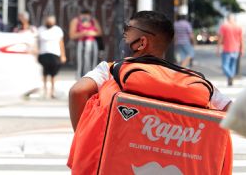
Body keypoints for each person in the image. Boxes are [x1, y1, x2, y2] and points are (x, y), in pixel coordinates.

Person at [69, 11, 232, 131]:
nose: (123, 38)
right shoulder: (195, 81)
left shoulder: (111, 69)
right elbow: (231, 112)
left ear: (142, 42)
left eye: (127, 33)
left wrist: (82, 136)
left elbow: (77, 91)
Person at [37, 15, 67, 99]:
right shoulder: (40, 30)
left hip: (55, 54)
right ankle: (45, 91)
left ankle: (52, 91)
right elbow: (37, 43)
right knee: (44, 73)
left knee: (53, 74)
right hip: (43, 53)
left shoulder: (58, 30)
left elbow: (61, 43)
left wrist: (63, 55)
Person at [69, 10, 103, 79]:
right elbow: (72, 35)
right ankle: (80, 79)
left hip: (93, 45)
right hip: (81, 44)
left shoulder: (93, 20)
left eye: (87, 15)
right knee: (81, 64)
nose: (85, 17)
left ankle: (93, 79)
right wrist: (83, 33)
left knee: (93, 63)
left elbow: (99, 33)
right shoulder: (76, 21)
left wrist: (91, 33)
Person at [217, 13, 244, 86]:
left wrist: (218, 48)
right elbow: (241, 39)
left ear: (227, 19)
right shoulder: (239, 27)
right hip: (236, 49)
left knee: (225, 66)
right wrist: (242, 49)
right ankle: (230, 78)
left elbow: (221, 38)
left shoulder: (224, 27)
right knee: (232, 65)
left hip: (227, 49)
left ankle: (230, 76)